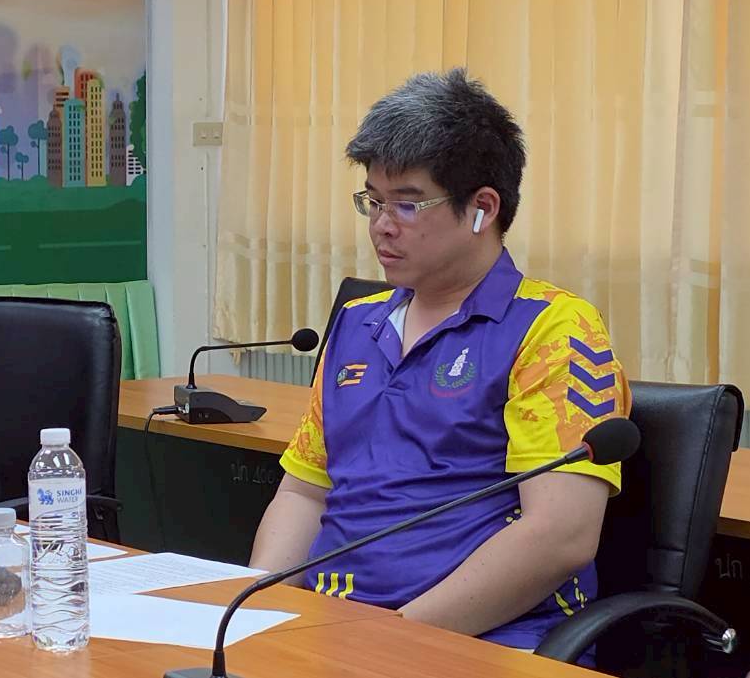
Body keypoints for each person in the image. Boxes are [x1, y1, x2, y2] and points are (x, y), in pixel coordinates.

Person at [249, 69, 630, 654]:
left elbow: (560, 536)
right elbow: (306, 493)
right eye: (373, 201)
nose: (381, 226)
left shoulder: (553, 329)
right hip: (332, 632)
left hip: (480, 643)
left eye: (407, 204)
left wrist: (391, 637)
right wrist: (254, 612)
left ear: (482, 209)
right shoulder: (357, 323)